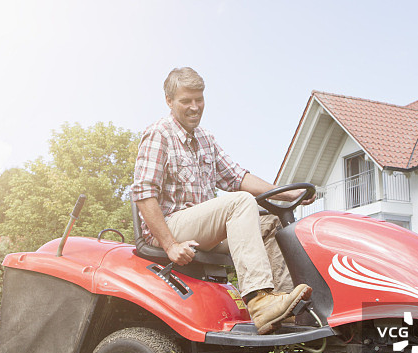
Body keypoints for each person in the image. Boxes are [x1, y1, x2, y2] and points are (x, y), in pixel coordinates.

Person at [131, 67, 315, 335]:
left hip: (202, 228)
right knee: (240, 203)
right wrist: (170, 245)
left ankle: (283, 309)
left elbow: (237, 177)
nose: (195, 107)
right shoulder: (159, 134)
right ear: (169, 101)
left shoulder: (205, 139)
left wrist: (288, 194)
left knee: (272, 223)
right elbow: (143, 193)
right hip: (171, 227)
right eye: (186, 101)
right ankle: (259, 299)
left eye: (199, 99)